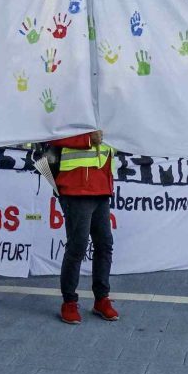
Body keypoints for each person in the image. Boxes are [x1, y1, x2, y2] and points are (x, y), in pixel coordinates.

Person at [43, 130, 118, 325]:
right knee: (78, 246)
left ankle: (101, 298)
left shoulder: (106, 108)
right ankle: (69, 302)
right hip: (75, 187)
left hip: (101, 185)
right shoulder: (71, 105)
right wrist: (85, 140)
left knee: (104, 244)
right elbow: (50, 134)